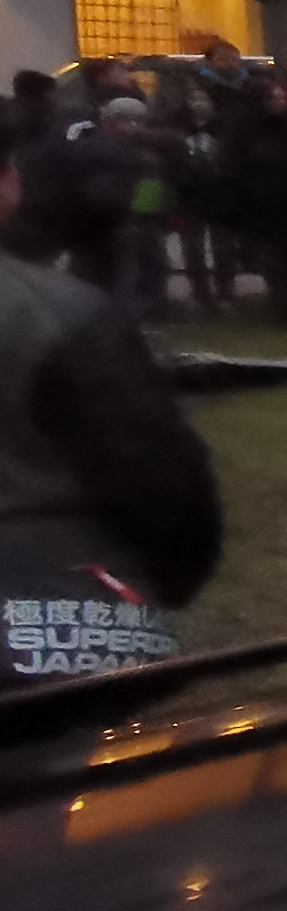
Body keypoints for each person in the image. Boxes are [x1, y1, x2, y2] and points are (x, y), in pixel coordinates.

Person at [0, 152, 220, 676]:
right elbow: (156, 478)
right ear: (8, 185)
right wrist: (163, 582)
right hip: (41, 618)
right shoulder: (57, 312)